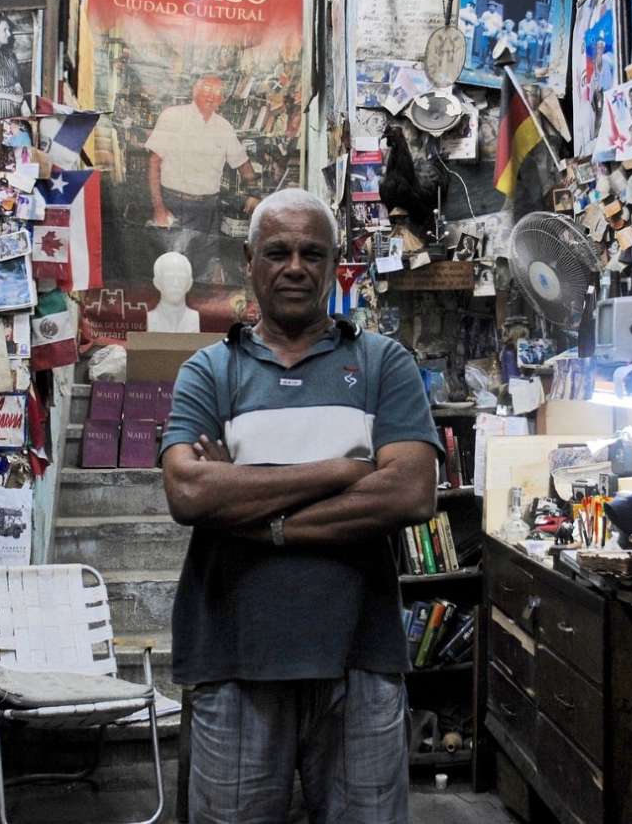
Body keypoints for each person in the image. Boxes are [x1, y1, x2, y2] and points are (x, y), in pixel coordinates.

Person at [161, 189, 442, 823]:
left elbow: (410, 490)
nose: (295, 267)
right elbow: (189, 492)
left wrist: (264, 519)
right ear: (249, 260)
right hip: (232, 657)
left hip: (360, 656)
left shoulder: (381, 364)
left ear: (336, 262)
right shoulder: (211, 371)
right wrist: (345, 469)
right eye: (278, 251)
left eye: (312, 253)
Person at [146, 74, 257, 234]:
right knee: (175, 257)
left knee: (206, 258)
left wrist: (254, 193)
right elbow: (153, 163)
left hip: (209, 210)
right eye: (207, 89)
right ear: (194, 92)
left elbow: (243, 164)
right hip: (175, 206)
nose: (212, 96)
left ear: (222, 99)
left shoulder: (224, 127)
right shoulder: (172, 117)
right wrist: (159, 209)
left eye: (217, 92)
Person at [147, 252, 202, 333]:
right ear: (157, 283)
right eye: (169, 277)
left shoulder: (194, 318)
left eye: (181, 278)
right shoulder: (151, 318)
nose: (175, 284)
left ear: (189, 283)